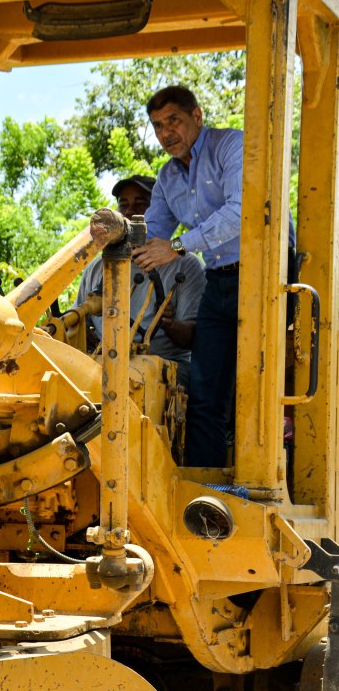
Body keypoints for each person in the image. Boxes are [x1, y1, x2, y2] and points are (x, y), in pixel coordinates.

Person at [131, 84, 290, 468]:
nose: (166, 133)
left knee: (263, 386)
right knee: (204, 392)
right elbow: (153, 232)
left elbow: (241, 212)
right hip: (220, 282)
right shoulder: (167, 178)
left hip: (267, 275)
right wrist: (119, 242)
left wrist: (178, 246)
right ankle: (208, 484)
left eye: (173, 120)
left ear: (197, 116)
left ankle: (266, 476)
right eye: (157, 126)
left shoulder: (232, 146)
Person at [75, 174, 205, 388]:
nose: (130, 212)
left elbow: (193, 339)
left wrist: (170, 324)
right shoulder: (97, 268)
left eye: (141, 204)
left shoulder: (186, 266)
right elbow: (77, 321)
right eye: (124, 205)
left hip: (164, 369)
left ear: (161, 210)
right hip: (102, 364)